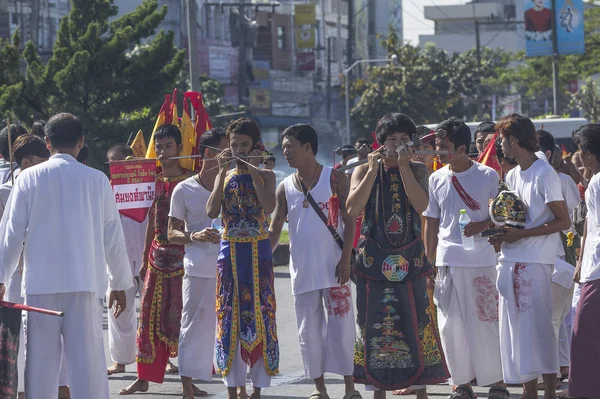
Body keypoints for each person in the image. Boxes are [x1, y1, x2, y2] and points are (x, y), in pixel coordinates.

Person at [0, 113, 131, 398]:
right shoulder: (97, 180)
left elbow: (11, 234)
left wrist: (1, 278)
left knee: (40, 368)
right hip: (84, 286)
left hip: (39, 288)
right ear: (81, 142)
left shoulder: (27, 179)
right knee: (89, 368)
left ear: (47, 143)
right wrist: (119, 282)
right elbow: (113, 236)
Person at [347, 113, 448, 399]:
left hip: (410, 258)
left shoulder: (416, 169)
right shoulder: (362, 170)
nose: (399, 145)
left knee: (416, 320)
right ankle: (378, 389)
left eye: (405, 139)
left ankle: (421, 391)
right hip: (373, 262)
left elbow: (421, 205)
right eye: (393, 140)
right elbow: (353, 209)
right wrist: (370, 170)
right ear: (380, 143)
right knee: (374, 321)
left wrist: (403, 167)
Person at [269, 124, 360, 399]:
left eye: (290, 147)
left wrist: (346, 259)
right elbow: (275, 228)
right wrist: (261, 259)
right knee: (308, 333)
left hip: (335, 270)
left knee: (343, 329)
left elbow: (349, 221)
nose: (285, 152)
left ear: (308, 147)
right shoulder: (285, 187)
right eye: (284, 147)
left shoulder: (335, 179)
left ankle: (349, 388)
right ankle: (319, 389)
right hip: (303, 272)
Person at [488, 114, 571, 399]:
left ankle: (548, 392)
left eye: (501, 139)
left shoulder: (544, 173)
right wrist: (500, 233)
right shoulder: (512, 175)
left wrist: (519, 236)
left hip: (535, 263)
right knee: (515, 333)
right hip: (510, 261)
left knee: (539, 330)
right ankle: (528, 392)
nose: (499, 145)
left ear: (513, 140)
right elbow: (516, 218)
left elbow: (563, 221)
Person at [423, 118, 506, 398]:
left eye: (442, 146)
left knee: (485, 322)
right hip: (447, 262)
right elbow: (431, 222)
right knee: (451, 327)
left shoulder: (488, 176)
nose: (438, 151)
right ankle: (462, 384)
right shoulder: (436, 178)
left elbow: (501, 217)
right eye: (436, 145)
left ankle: (497, 383)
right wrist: (429, 261)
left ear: (460, 148)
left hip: (481, 260)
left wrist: (482, 226)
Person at [206, 118, 279, 399]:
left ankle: (258, 388)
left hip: (258, 251)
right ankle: (233, 388)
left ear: (255, 145)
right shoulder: (222, 175)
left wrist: (253, 169)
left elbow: (269, 206)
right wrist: (221, 172)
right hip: (229, 251)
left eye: (244, 145)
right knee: (228, 314)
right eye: (233, 145)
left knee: (261, 311)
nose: (238, 149)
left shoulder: (266, 175)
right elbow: (212, 212)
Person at [120, 124, 193, 395]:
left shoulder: (192, 180)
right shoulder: (155, 179)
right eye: (159, 147)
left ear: (180, 147)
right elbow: (152, 219)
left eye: (168, 147)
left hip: (185, 259)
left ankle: (190, 378)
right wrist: (142, 257)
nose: (162, 152)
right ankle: (143, 378)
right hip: (155, 257)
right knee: (148, 319)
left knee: (186, 319)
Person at [0, 134, 67, 399]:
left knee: (50, 342)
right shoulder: (6, 190)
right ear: (26, 162)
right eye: (41, 161)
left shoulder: (52, 185)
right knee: (19, 339)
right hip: (15, 276)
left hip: (47, 273)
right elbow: (7, 235)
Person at [167, 127, 228, 398]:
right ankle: (187, 386)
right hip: (198, 269)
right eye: (227, 150)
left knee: (229, 327)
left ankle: (233, 386)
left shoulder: (235, 184)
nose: (233, 155)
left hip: (230, 268)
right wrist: (195, 235)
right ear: (208, 154)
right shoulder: (184, 189)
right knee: (192, 325)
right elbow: (171, 233)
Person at [563, 124, 600, 399]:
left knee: (584, 333)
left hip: (596, 270)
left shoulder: (597, 182)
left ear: (588, 153)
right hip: (591, 266)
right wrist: (580, 261)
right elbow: (589, 223)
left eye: (580, 150)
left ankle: (584, 390)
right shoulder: (595, 182)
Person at [105, 144, 148, 376]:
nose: (118, 169)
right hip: (118, 261)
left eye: (123, 164)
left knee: (154, 312)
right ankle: (121, 361)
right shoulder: (106, 192)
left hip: (147, 258)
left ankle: (165, 359)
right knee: (118, 311)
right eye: (113, 166)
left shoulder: (148, 189)